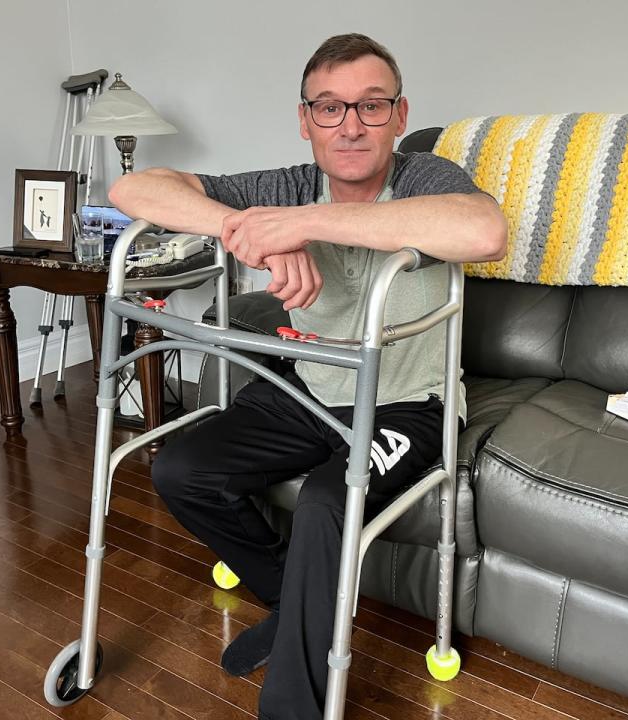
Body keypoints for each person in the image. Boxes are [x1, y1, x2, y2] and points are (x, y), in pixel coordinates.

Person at [109, 33, 507, 720]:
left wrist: (301, 223)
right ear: (305, 120)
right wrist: (250, 229)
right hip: (311, 388)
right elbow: (132, 187)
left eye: (371, 105)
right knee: (180, 471)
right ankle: (295, 606)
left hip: (408, 403)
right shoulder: (284, 183)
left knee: (328, 501)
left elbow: (484, 232)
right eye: (329, 107)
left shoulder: (424, 177)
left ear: (400, 114)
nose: (350, 124)